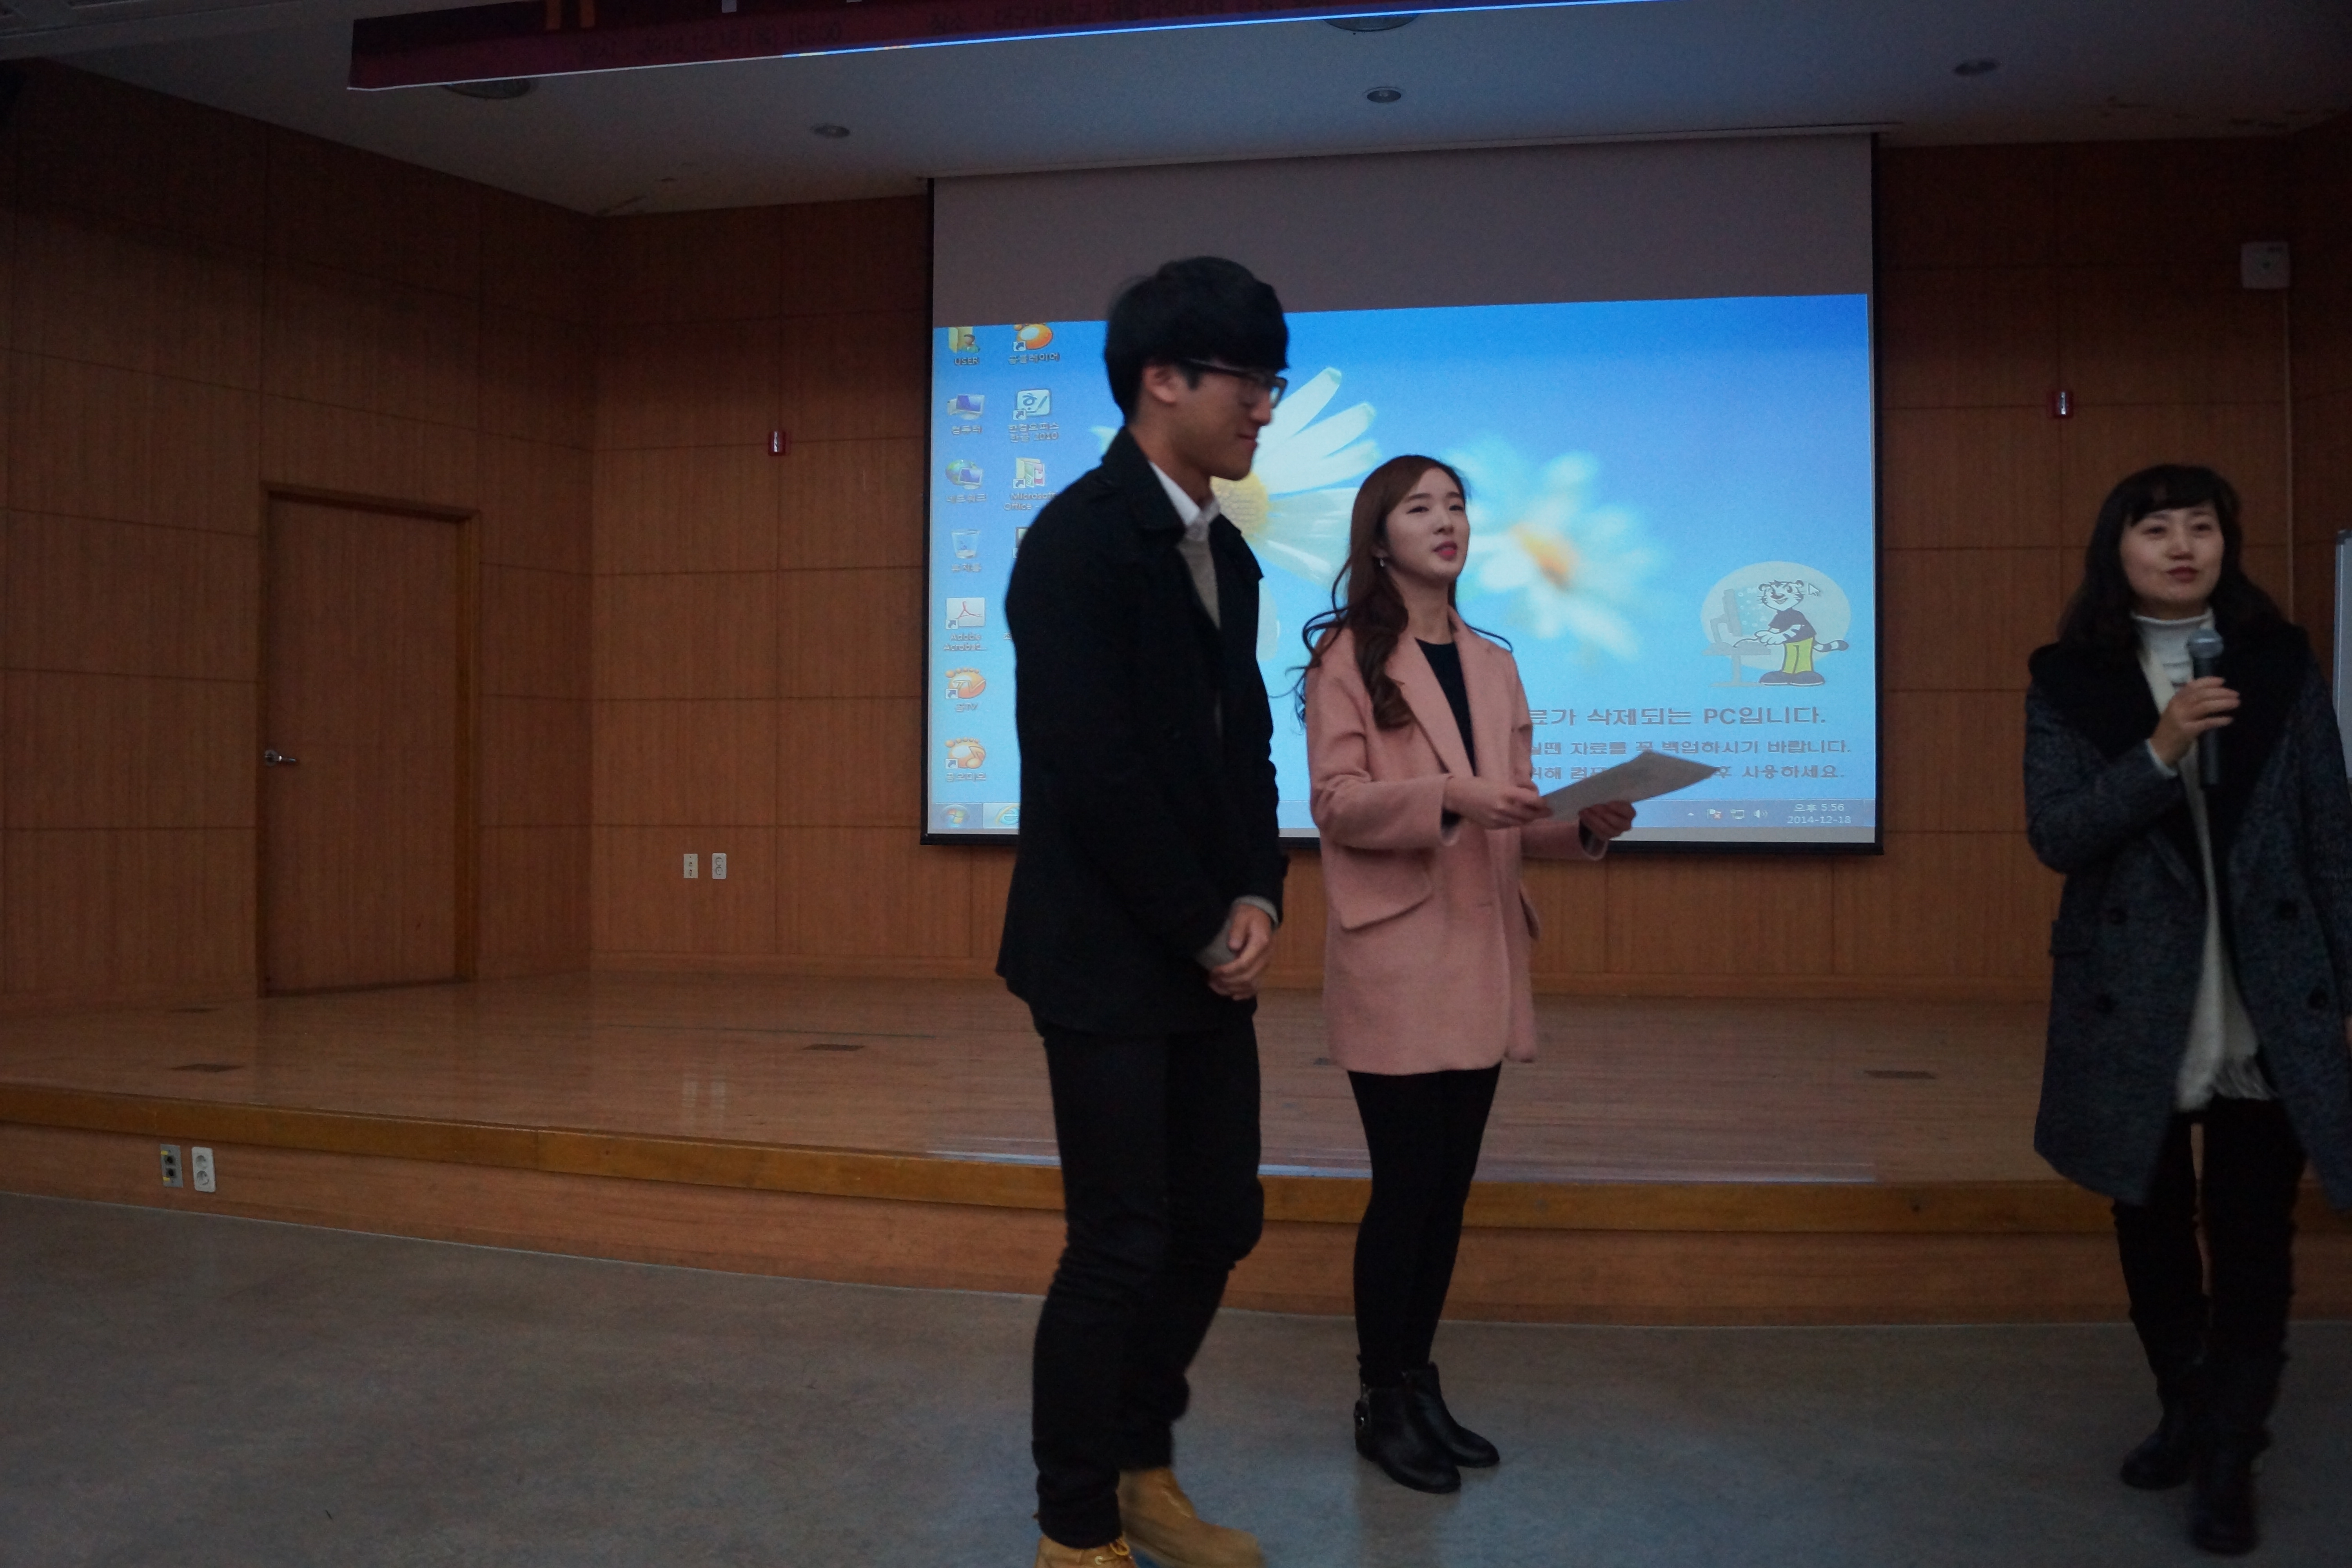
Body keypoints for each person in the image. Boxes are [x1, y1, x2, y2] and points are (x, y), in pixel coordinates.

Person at [998, 257, 1292, 1568]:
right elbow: (1092, 769)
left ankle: (1137, 1467)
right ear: (1162, 378)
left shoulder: (1226, 548)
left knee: (1218, 1220)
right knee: (1119, 1242)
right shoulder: (1077, 540)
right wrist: (1199, 925)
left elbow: (1248, 748)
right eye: (1250, 380)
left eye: (1275, 382)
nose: (1266, 408)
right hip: (1106, 953)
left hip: (1203, 944)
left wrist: (1259, 891)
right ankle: (1074, 1530)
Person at [2024, 464, 2352, 1557]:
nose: (2180, 547)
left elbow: (2330, 834)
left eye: (2200, 527)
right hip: (2138, 999)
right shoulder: (2069, 679)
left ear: (2226, 543)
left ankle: (2230, 1454)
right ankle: (2187, 1406)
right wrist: (2162, 748)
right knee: (2151, 1221)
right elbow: (2059, 833)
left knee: (2254, 1235)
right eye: (2155, 528)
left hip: (2269, 993)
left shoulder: (2279, 664)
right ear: (2116, 550)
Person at [1299, 456, 1633, 1494]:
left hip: (1482, 952)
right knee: (1405, 1189)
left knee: (1446, 1194)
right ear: (1379, 535)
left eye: (1456, 506)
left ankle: (1418, 1380)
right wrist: (1450, 795)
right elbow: (1337, 803)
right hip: (1399, 955)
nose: (1446, 522)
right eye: (1420, 508)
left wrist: (1581, 826)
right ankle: (1378, 1399)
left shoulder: (1493, 661)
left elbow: (1513, 813)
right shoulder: (1347, 658)